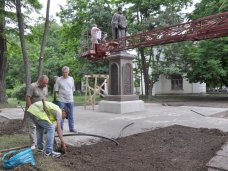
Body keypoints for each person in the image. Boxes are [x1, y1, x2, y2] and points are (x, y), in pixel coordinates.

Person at [25, 75, 49, 149]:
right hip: (32, 110)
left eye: (46, 83)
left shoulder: (45, 87)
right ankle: (33, 144)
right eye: (44, 83)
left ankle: (40, 142)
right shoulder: (33, 86)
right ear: (40, 81)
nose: (45, 85)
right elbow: (28, 97)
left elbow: (45, 98)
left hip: (41, 111)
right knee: (32, 126)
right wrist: (31, 109)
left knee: (41, 127)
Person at [55, 66, 76, 132]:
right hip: (61, 100)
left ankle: (72, 128)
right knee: (61, 114)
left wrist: (68, 94)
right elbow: (56, 90)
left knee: (71, 114)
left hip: (70, 100)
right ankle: (60, 128)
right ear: (62, 72)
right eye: (64, 72)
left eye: (66, 72)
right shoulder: (59, 79)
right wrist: (59, 97)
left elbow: (73, 89)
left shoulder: (71, 79)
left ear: (68, 72)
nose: (65, 74)